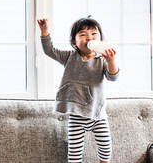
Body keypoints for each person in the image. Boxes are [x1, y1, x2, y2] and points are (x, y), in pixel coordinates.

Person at [37, 16, 119, 163]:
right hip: (76, 115)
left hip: (97, 114)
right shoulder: (69, 57)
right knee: (74, 154)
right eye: (83, 34)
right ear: (74, 42)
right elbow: (49, 50)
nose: (89, 37)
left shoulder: (102, 61)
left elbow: (112, 77)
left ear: (100, 39)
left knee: (105, 148)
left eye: (94, 34)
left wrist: (111, 61)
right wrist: (44, 31)